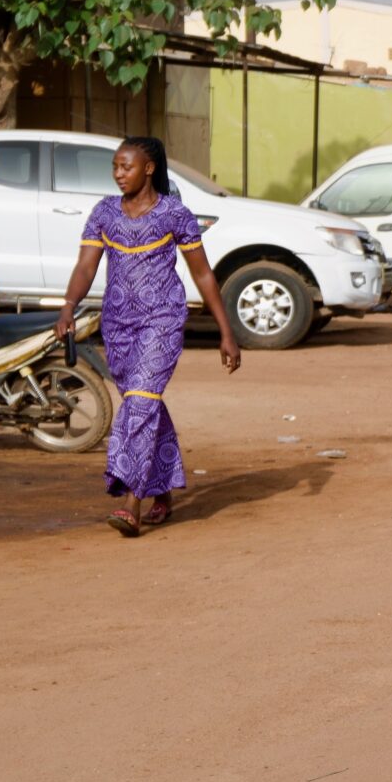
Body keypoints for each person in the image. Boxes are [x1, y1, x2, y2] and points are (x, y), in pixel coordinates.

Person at [53, 135, 240, 536]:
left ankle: (130, 502)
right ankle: (162, 489)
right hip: (118, 325)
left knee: (138, 403)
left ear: (148, 168)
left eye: (127, 167)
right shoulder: (104, 213)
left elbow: (203, 273)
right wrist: (68, 306)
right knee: (145, 401)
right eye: (116, 168)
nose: (119, 175)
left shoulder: (175, 213)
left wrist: (227, 331)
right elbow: (86, 266)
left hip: (162, 321)